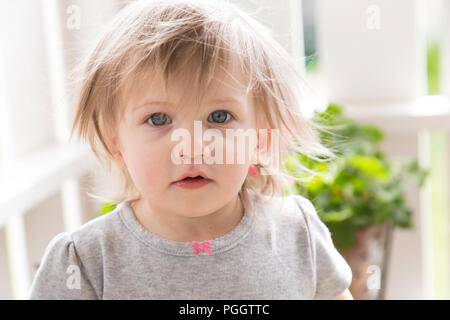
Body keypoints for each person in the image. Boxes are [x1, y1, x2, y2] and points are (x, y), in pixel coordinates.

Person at [28, 0, 353, 300]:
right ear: (115, 141)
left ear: (259, 137)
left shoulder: (297, 232)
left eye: (220, 117)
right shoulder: (85, 262)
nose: (193, 147)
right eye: (158, 119)